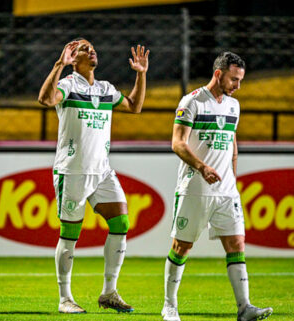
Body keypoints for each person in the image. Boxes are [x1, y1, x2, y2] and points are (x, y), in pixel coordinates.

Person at [38, 38, 149, 314]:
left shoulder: (105, 89)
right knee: (70, 235)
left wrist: (141, 74)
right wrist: (58, 66)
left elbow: (134, 106)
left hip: (102, 170)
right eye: (83, 48)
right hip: (72, 170)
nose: (91, 50)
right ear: (73, 59)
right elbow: (45, 99)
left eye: (91, 47)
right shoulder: (67, 85)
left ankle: (109, 292)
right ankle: (65, 298)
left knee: (121, 221)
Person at [162, 52, 273, 321]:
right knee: (181, 247)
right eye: (234, 79)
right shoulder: (192, 101)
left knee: (236, 244)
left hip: (226, 191)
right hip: (195, 187)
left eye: (241, 80)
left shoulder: (234, 106)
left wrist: (231, 178)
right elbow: (178, 143)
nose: (238, 85)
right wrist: (202, 167)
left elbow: (232, 145)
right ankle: (169, 306)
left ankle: (244, 307)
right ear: (218, 74)